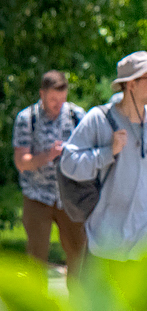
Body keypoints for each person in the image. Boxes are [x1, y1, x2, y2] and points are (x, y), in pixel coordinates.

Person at [61, 51, 147, 311]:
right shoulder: (99, 119)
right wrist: (106, 152)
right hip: (106, 239)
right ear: (130, 84)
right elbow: (69, 162)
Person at [13, 70, 87, 289]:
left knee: (78, 254)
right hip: (38, 195)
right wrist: (48, 155)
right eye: (53, 99)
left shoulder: (76, 115)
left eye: (62, 99)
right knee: (37, 257)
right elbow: (21, 161)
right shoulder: (27, 118)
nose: (58, 105)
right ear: (42, 94)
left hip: (70, 195)